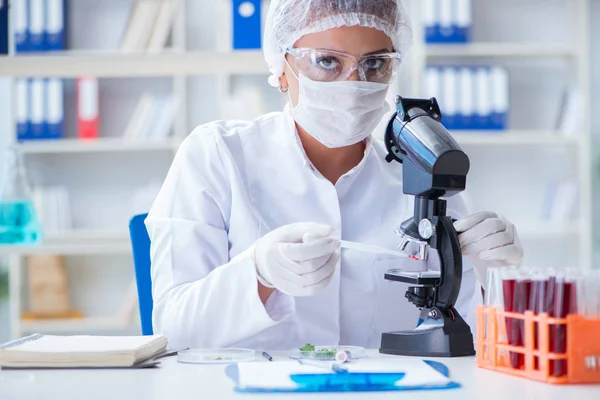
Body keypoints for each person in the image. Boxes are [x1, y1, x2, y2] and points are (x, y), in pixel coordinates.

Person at [145, 0, 523, 350]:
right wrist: (259, 275)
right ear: (281, 69)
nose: (352, 82)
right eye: (327, 61)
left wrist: (495, 273)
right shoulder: (218, 156)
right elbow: (174, 330)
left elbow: (481, 339)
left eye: (374, 64)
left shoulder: (424, 175)